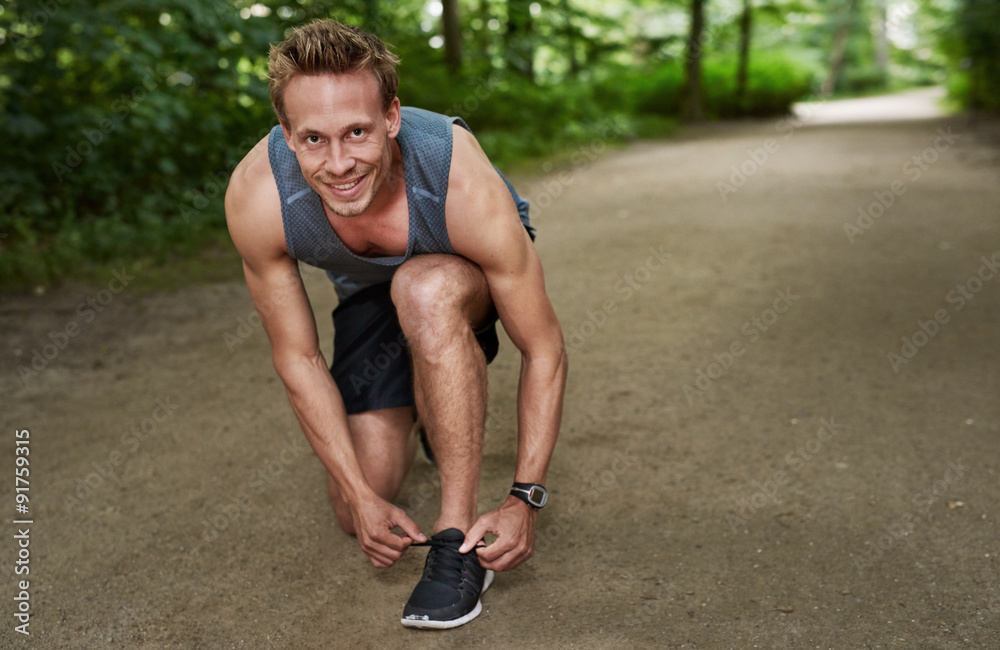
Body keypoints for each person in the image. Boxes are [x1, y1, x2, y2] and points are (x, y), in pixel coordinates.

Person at [224, 19, 567, 629]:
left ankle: (455, 542)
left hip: (460, 283)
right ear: (286, 134)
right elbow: (297, 358)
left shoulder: (458, 179)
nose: (338, 163)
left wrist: (524, 498)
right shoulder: (257, 196)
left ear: (391, 117)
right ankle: (436, 408)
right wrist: (359, 494)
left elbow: (544, 350)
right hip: (372, 297)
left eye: (357, 131)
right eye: (313, 140)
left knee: (424, 287)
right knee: (351, 499)